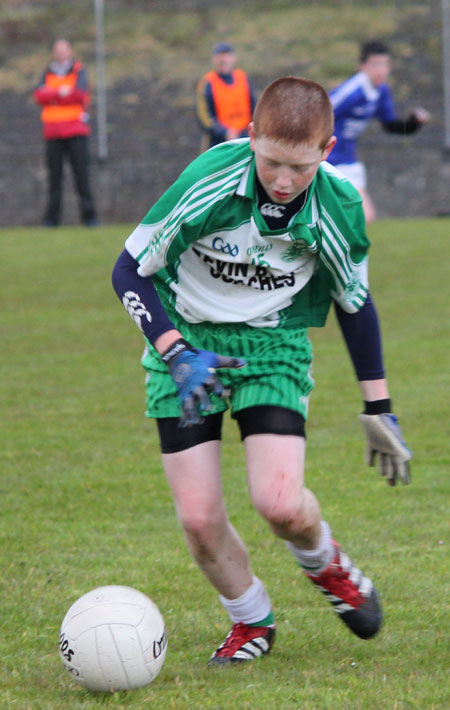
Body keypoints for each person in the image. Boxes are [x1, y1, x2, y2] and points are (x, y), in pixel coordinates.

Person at [112, 76, 412, 666]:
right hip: (186, 345)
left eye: (299, 168)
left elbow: (355, 304)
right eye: (271, 161)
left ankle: (327, 564)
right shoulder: (210, 179)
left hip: (271, 348)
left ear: (326, 153)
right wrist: (175, 352)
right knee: (199, 519)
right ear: (251, 137)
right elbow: (128, 270)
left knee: (279, 503)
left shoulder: (338, 206)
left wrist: (378, 406)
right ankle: (251, 619)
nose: (281, 181)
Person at [328, 39, 430, 224]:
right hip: (327, 160)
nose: (381, 70)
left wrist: (414, 123)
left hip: (348, 161)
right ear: (362, 66)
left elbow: (389, 125)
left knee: (363, 217)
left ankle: (333, 250)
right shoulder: (352, 91)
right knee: (359, 217)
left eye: (385, 64)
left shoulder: (381, 91)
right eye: (376, 64)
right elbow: (317, 112)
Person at [33, 39, 97, 227]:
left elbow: (79, 94)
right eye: (57, 50)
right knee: (54, 180)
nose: (61, 53)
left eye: (64, 50)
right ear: (54, 53)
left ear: (70, 52)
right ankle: (51, 220)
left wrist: (52, 95)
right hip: (53, 133)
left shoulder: (78, 70)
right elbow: (39, 95)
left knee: (82, 177)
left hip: (76, 132)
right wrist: (59, 92)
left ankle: (90, 218)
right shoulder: (47, 72)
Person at [196, 42, 256, 151]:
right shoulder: (208, 82)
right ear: (214, 59)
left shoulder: (242, 77)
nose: (223, 60)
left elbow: (254, 107)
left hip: (246, 137)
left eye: (226, 56)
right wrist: (224, 132)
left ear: (233, 58)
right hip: (219, 142)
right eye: (219, 56)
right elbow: (204, 118)